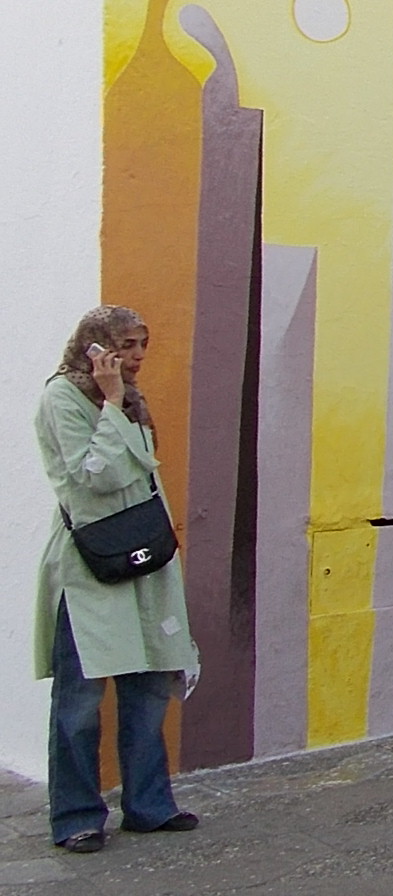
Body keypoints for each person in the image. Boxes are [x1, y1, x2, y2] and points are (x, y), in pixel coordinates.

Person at [33, 306, 200, 852]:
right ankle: (77, 817)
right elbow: (95, 477)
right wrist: (109, 402)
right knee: (80, 700)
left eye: (142, 344)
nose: (136, 356)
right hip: (91, 563)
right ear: (95, 346)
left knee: (149, 683)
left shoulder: (131, 400)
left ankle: (149, 806)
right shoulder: (64, 397)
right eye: (125, 345)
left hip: (143, 557)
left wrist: (118, 402)